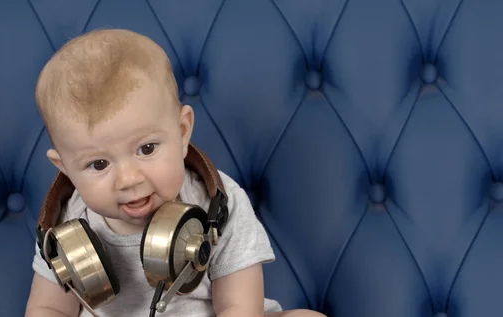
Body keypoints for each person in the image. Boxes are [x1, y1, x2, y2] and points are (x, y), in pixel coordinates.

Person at [25, 28, 325, 317]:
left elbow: (240, 307)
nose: (130, 179)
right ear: (65, 168)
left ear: (182, 133)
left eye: (147, 148)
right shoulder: (64, 225)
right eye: (99, 164)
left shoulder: (219, 204)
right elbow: (48, 309)